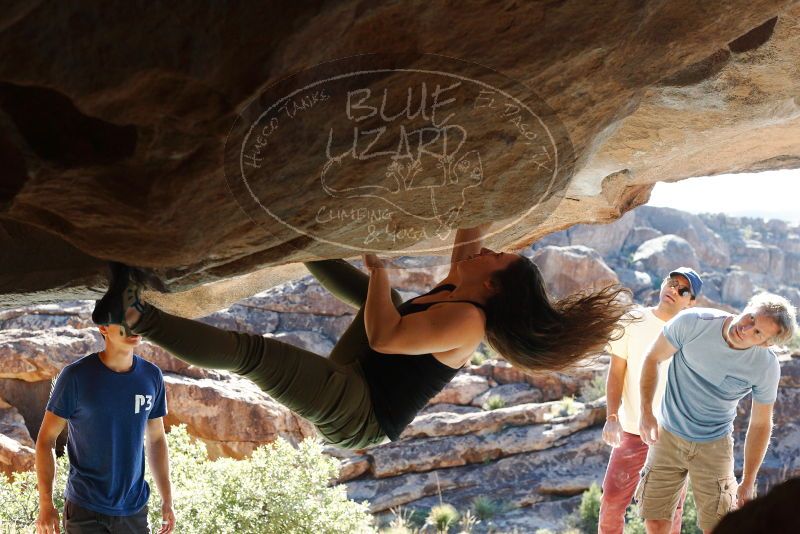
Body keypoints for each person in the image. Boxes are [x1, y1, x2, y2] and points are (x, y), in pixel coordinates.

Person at [90, 225, 631, 450]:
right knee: (390, 302)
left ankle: (135, 317)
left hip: (360, 416)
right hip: (363, 373)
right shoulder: (462, 281)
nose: (489, 251)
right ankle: (300, 241)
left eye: (498, 258)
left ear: (491, 285)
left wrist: (377, 273)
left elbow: (388, 337)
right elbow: (473, 228)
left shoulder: (469, 320)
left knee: (254, 353)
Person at [637, 293, 797, 534]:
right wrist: (646, 411)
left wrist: (748, 480)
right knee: (656, 520)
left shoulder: (765, 366)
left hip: (715, 445)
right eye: (751, 318)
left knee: (720, 526)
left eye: (757, 333)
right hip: (667, 435)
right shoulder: (693, 322)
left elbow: (761, 424)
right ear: (748, 305)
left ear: (765, 343)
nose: (746, 329)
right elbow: (653, 358)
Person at [34, 322, 175, 534]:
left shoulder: (151, 376)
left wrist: (167, 500)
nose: (133, 327)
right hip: (85, 510)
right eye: (123, 321)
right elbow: (46, 440)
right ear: (103, 328)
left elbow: (156, 439)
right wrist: (46, 504)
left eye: (138, 319)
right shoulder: (75, 376)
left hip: (133, 510)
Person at [599, 267, 703, 534]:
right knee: (611, 504)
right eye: (672, 282)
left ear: (691, 302)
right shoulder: (632, 319)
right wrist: (612, 418)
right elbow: (616, 373)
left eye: (683, 290)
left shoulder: (692, 336)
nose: (673, 290)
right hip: (632, 433)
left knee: (669, 513)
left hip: (673, 440)